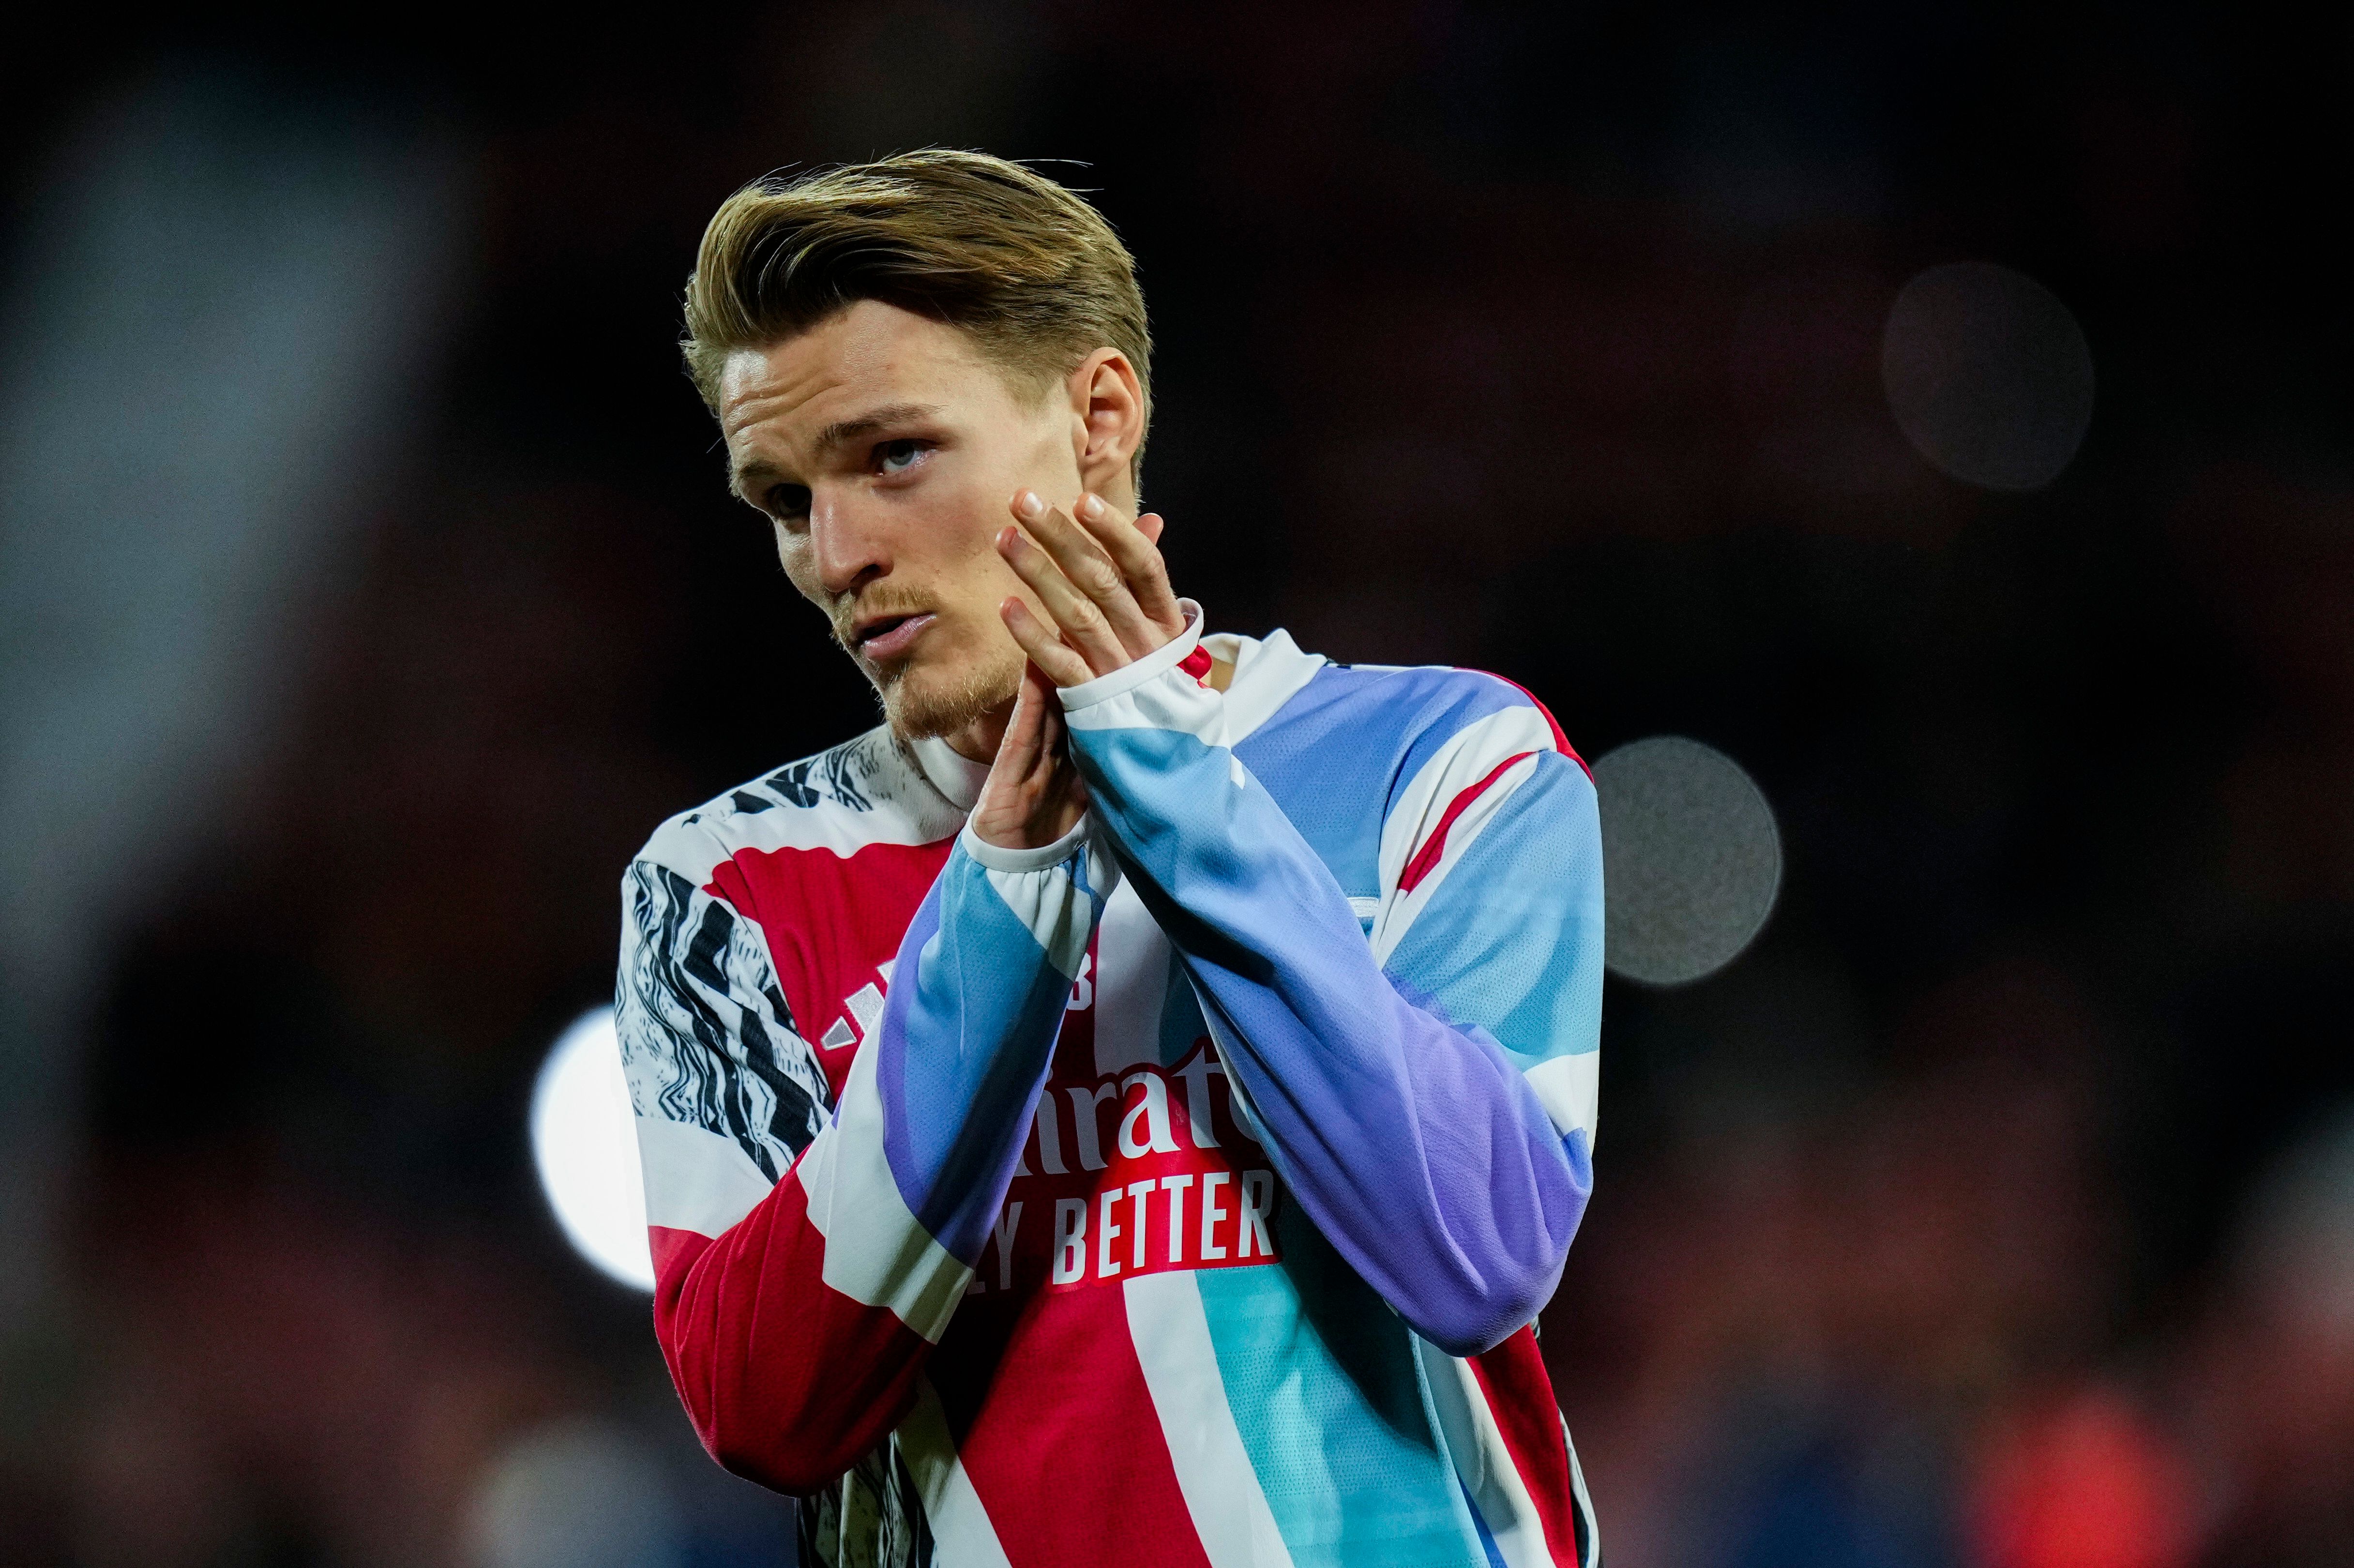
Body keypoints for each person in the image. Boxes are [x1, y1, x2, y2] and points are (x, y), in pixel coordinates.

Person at [616, 149, 1605, 1568]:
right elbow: (765, 1410)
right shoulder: (727, 888)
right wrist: (1010, 888)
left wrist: (1171, 786)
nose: (837, 556)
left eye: (894, 455)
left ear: (1098, 418)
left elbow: (1479, 1253)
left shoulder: (1442, 765)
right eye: (783, 500)